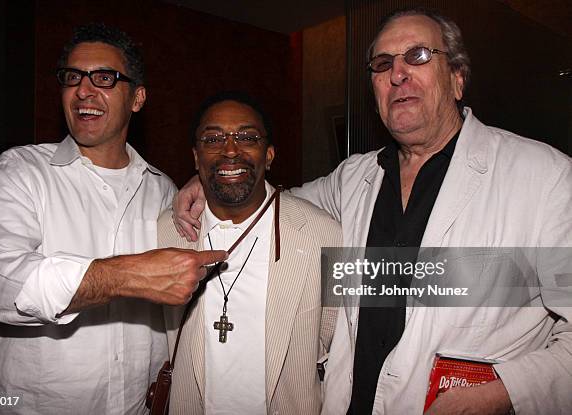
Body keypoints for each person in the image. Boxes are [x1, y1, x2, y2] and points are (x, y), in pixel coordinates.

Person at [172, 8, 572, 415]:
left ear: (457, 78)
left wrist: (503, 393)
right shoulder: (355, 178)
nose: (397, 74)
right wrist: (213, 180)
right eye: (383, 64)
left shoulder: (543, 178)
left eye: (416, 55)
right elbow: (278, 202)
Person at [0, 23, 225, 414]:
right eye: (72, 78)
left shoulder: (164, 191)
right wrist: (125, 276)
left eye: (104, 77)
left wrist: (212, 182)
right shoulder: (18, 170)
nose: (83, 90)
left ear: (137, 98)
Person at [157, 91, 342, 414]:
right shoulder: (163, 234)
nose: (230, 150)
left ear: (269, 155)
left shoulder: (324, 234)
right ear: (196, 157)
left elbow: (339, 344)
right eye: (213, 138)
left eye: (247, 137)